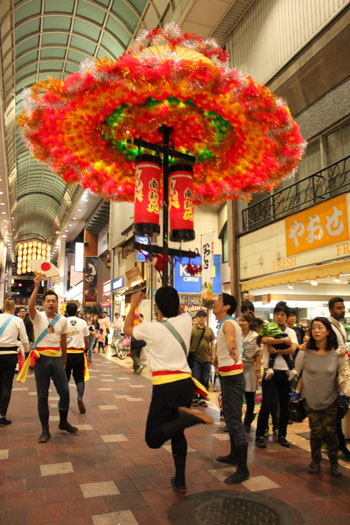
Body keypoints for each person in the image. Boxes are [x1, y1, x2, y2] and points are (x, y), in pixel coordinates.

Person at [124, 286, 213, 493]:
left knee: (153, 439)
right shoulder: (184, 321)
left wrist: (135, 303)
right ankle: (180, 481)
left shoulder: (151, 328)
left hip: (165, 386)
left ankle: (188, 419)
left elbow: (128, 329)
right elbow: (180, 310)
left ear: (157, 309)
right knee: (177, 432)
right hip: (184, 384)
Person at [19, 274, 78, 443]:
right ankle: (45, 430)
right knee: (42, 396)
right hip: (41, 360)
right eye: (48, 301)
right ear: (44, 303)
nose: (51, 303)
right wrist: (37, 286)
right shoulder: (37, 317)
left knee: (65, 392)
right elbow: (30, 307)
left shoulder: (63, 320)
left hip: (57, 359)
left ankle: (63, 422)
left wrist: (64, 360)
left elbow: (63, 342)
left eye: (54, 300)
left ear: (57, 303)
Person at [295, 317, 346, 477]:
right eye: (314, 328)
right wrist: (297, 392)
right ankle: (315, 460)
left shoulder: (337, 354)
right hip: (311, 399)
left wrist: (343, 394)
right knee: (315, 432)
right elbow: (299, 372)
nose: (316, 331)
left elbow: (341, 376)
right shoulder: (305, 352)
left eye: (320, 328)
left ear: (328, 332)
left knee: (331, 433)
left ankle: (334, 463)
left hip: (331, 399)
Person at [213, 293, 249, 484]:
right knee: (230, 416)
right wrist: (217, 358)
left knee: (234, 421)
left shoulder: (228, 324)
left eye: (218, 301)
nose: (214, 303)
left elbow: (230, 340)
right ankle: (234, 455)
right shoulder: (226, 322)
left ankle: (243, 469)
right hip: (228, 376)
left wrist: (232, 349)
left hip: (233, 378)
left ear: (226, 307)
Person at [255, 301, 298, 449]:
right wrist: (283, 340)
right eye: (277, 314)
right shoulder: (268, 327)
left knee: (284, 405)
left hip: (285, 371)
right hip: (269, 371)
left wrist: (278, 349)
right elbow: (264, 340)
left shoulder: (291, 332)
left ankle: (282, 435)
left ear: (286, 317)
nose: (279, 317)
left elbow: (292, 348)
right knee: (266, 403)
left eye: (282, 315)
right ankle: (260, 435)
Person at [0, 299, 29, 426]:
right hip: (10, 355)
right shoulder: (18, 320)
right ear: (14, 308)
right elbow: (24, 339)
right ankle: (2, 416)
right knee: (7, 385)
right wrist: (27, 351)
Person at [328, 296, 350, 461]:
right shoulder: (328, 326)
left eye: (343, 308)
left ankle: (337, 444)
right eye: (339, 308)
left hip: (343, 371)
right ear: (331, 310)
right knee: (336, 411)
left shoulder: (340, 325)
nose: (342, 311)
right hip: (331, 374)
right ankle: (339, 446)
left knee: (341, 409)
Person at [238, 313, 261, 432]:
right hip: (237, 367)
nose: (241, 323)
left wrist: (258, 370)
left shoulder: (255, 336)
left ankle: (247, 421)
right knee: (237, 395)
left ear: (249, 323)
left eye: (244, 321)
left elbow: (258, 355)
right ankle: (235, 420)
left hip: (250, 368)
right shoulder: (236, 335)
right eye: (240, 320)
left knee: (250, 395)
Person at [65, 302, 89, 414]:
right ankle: (79, 397)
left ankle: (64, 398)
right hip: (78, 353)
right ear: (77, 312)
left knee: (65, 378)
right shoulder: (83, 322)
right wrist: (84, 350)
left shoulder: (62, 321)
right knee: (79, 378)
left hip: (66, 354)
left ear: (66, 312)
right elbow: (87, 340)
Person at [189, 310, 215, 407]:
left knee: (205, 378)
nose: (202, 318)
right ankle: (195, 397)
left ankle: (202, 398)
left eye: (203, 317)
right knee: (196, 378)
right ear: (196, 318)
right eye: (200, 317)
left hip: (207, 358)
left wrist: (213, 356)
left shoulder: (209, 330)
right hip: (195, 358)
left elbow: (212, 343)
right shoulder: (192, 329)